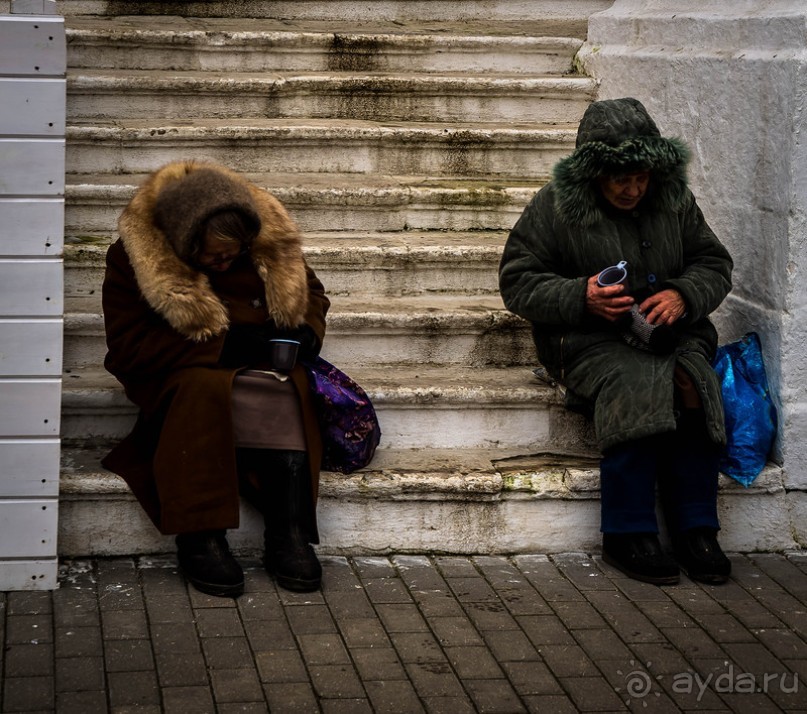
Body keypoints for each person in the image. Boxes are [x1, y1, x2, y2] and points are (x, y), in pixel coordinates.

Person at [499, 98, 734, 585]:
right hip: (587, 341)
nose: (633, 189)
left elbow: (713, 263)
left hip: (670, 335)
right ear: (594, 174)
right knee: (636, 381)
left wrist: (683, 294)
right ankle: (628, 533)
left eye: (641, 177)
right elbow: (517, 281)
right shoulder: (554, 206)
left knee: (694, 381)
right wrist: (580, 296)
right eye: (620, 179)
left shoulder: (674, 200)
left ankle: (696, 527)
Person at [101, 160, 330, 597]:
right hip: (181, 369)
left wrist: (305, 331)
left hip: (261, 365)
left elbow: (313, 294)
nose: (224, 262)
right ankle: (201, 535)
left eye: (233, 254)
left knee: (288, 386)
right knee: (204, 388)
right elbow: (127, 348)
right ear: (184, 241)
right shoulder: (134, 258)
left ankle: (289, 531)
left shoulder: (266, 242)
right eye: (213, 255)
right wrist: (222, 347)